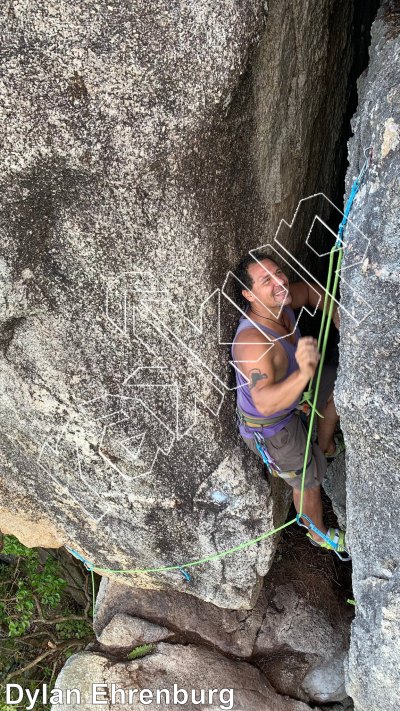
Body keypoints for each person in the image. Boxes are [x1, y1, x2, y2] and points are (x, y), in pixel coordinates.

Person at [232, 252, 348, 556]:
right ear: (249, 294)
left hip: (293, 402)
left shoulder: (281, 303)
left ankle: (324, 446)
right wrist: (305, 372)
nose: (279, 282)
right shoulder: (253, 344)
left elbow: (310, 292)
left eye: (278, 273)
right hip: (272, 429)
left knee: (339, 384)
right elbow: (265, 401)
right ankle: (317, 533)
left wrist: (337, 315)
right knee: (306, 479)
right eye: (265, 280)